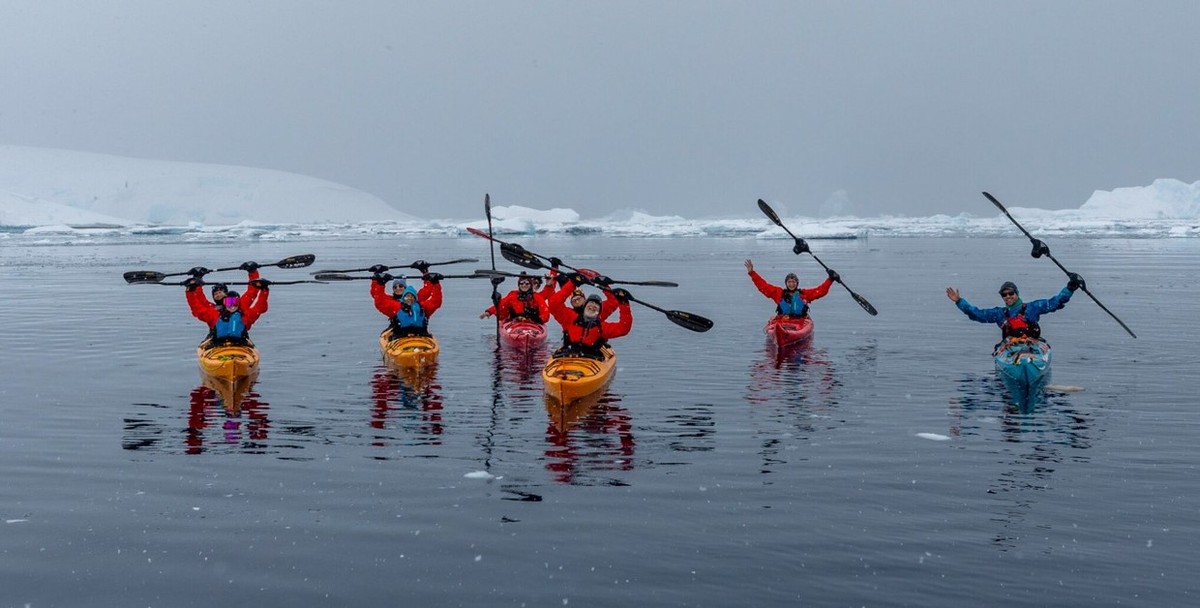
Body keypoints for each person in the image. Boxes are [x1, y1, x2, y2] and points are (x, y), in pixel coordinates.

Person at [946, 276, 1083, 341]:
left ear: (1017, 294)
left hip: (1032, 344)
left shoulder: (1033, 307)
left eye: (1011, 293)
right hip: (1010, 346)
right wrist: (959, 301)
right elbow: (976, 314)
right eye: (1004, 294)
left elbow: (1055, 303)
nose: (1008, 297)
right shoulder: (998, 314)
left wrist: (1069, 289)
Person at [548, 282, 633, 359]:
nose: (593, 306)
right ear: (585, 306)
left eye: (596, 306)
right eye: (590, 304)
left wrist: (624, 303)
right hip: (568, 354)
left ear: (599, 312)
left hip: (592, 357)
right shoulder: (570, 317)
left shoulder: (602, 327)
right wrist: (572, 283)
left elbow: (623, 328)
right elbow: (553, 304)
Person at [184, 279, 271, 346]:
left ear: (239, 303)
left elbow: (260, 306)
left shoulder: (246, 315)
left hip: (240, 346)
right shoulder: (214, 314)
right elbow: (196, 307)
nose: (232, 305)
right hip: (218, 346)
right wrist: (190, 291)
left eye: (234, 302)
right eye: (229, 302)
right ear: (225, 303)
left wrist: (264, 290)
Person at [744, 259, 836, 318]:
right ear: (786, 283)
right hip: (783, 320)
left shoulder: (804, 294)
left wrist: (830, 279)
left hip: (800, 322)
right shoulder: (778, 293)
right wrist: (752, 273)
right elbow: (763, 286)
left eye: (793, 282)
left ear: (797, 283)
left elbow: (821, 291)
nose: (791, 284)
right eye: (789, 282)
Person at [371, 270, 443, 338]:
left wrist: (435, 283)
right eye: (407, 296)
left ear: (415, 298)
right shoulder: (396, 307)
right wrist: (380, 283)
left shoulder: (423, 307)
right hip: (401, 338)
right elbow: (379, 301)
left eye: (412, 296)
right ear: (403, 298)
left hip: (421, 337)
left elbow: (436, 301)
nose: (409, 298)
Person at [479, 272, 550, 323]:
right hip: (514, 322)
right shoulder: (513, 296)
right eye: (521, 283)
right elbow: (501, 304)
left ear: (530, 285)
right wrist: (489, 312)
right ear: (519, 285)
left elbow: (545, 312)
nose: (524, 285)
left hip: (533, 323)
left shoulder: (537, 297)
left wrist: (539, 320)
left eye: (527, 283)